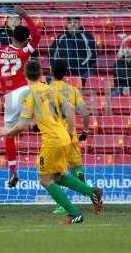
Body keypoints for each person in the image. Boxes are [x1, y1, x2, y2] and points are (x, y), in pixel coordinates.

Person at [0, 60, 103, 224]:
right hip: (64, 137)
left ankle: (75, 213)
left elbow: (22, 125)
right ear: (41, 74)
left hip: (52, 140)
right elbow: (69, 107)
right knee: (58, 176)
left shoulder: (30, 94)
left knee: (45, 179)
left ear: (24, 74)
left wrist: (7, 132)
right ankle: (92, 192)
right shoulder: (50, 89)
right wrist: (69, 130)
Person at [0, 6, 41, 187]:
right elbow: (37, 37)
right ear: (25, 40)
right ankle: (35, 122)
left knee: (9, 134)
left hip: (11, 96)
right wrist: (26, 16)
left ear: (12, 37)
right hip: (27, 90)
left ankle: (12, 171)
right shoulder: (24, 52)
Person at [49, 59, 91, 214]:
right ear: (65, 73)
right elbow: (85, 113)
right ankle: (90, 192)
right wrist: (85, 131)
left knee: (54, 171)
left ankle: (61, 204)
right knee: (76, 166)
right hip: (71, 135)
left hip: (54, 136)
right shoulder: (73, 90)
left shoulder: (46, 90)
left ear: (52, 72)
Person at [49, 16, 97, 82]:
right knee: (50, 78)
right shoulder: (60, 38)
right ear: (67, 24)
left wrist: (81, 66)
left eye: (75, 22)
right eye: (70, 22)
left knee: (90, 78)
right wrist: (58, 67)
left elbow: (92, 55)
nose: (72, 24)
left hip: (83, 70)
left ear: (80, 24)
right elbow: (53, 55)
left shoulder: (87, 37)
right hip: (64, 70)